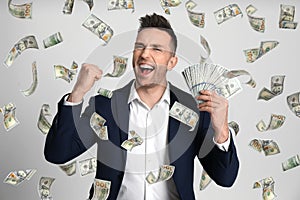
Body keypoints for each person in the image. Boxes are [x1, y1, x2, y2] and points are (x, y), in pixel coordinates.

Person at [44, 13, 239, 200]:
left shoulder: (194, 110)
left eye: (157, 49)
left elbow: (225, 178)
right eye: (140, 47)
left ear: (172, 62)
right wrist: (77, 93)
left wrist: (221, 129)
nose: (145, 54)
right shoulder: (105, 107)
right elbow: (57, 153)